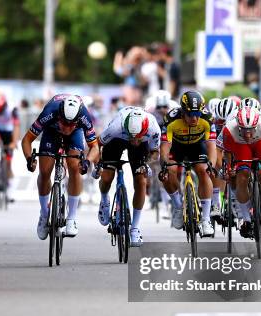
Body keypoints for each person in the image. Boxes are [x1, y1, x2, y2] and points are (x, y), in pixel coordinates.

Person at [22, 95, 100, 239]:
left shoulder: (84, 116)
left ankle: (71, 218)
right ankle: (44, 215)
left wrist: (87, 161)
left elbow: (94, 146)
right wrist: (29, 159)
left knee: (74, 167)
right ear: (59, 116)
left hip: (76, 135)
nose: (67, 128)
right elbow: (26, 140)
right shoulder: (49, 113)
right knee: (45, 172)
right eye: (65, 123)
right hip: (51, 131)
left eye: (72, 124)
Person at [95, 107, 160, 247]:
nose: (134, 140)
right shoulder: (116, 127)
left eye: (138, 137)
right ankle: (104, 199)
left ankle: (135, 228)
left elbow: (155, 152)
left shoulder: (153, 127)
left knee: (141, 181)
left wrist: (147, 164)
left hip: (141, 148)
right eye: (132, 137)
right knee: (107, 177)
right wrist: (97, 164)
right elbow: (96, 144)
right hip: (117, 140)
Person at [221, 107, 261, 242]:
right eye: (244, 130)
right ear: (238, 126)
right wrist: (230, 167)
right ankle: (246, 219)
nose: (248, 134)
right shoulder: (229, 129)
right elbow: (226, 152)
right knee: (242, 177)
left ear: (256, 125)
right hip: (241, 147)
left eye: (250, 130)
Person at [159, 90, 216, 237]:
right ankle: (178, 207)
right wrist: (165, 163)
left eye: (197, 114)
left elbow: (211, 146)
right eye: (191, 115)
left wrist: (212, 164)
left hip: (197, 146)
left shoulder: (208, 118)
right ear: (183, 111)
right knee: (168, 173)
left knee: (204, 170)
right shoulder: (171, 119)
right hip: (176, 146)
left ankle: (205, 219)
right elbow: (165, 146)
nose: (195, 119)